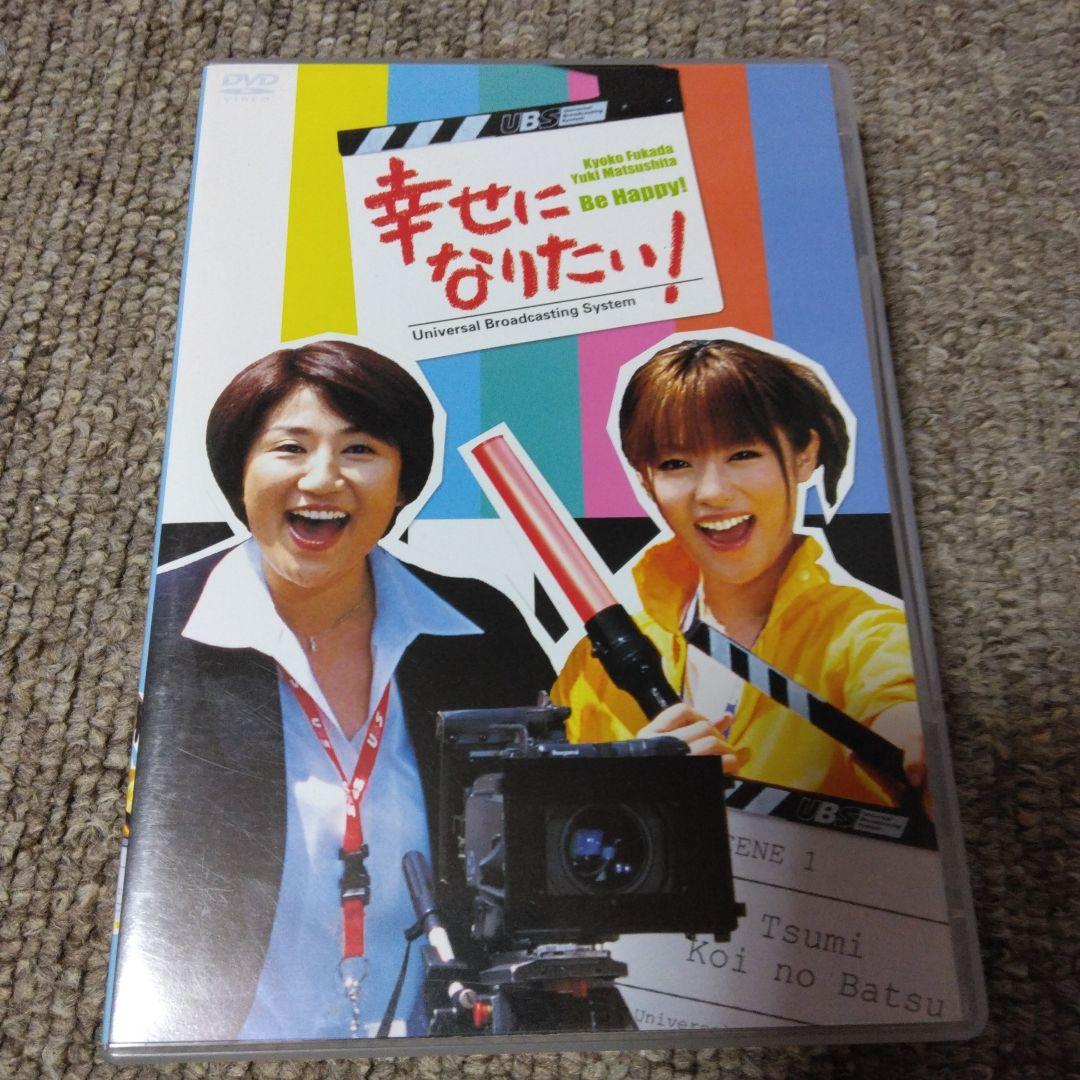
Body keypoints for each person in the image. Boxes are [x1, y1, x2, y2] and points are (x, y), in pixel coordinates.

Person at [113, 340, 553, 1044]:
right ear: (239, 471)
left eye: (359, 450)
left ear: (404, 481)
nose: (321, 480)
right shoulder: (151, 629)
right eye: (289, 448)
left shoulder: (479, 630)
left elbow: (543, 842)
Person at [552, 338, 925, 806]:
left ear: (804, 454)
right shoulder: (595, 667)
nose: (711, 492)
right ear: (646, 479)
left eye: (743, 454)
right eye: (676, 464)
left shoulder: (868, 638)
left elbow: (896, 701)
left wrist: (916, 740)